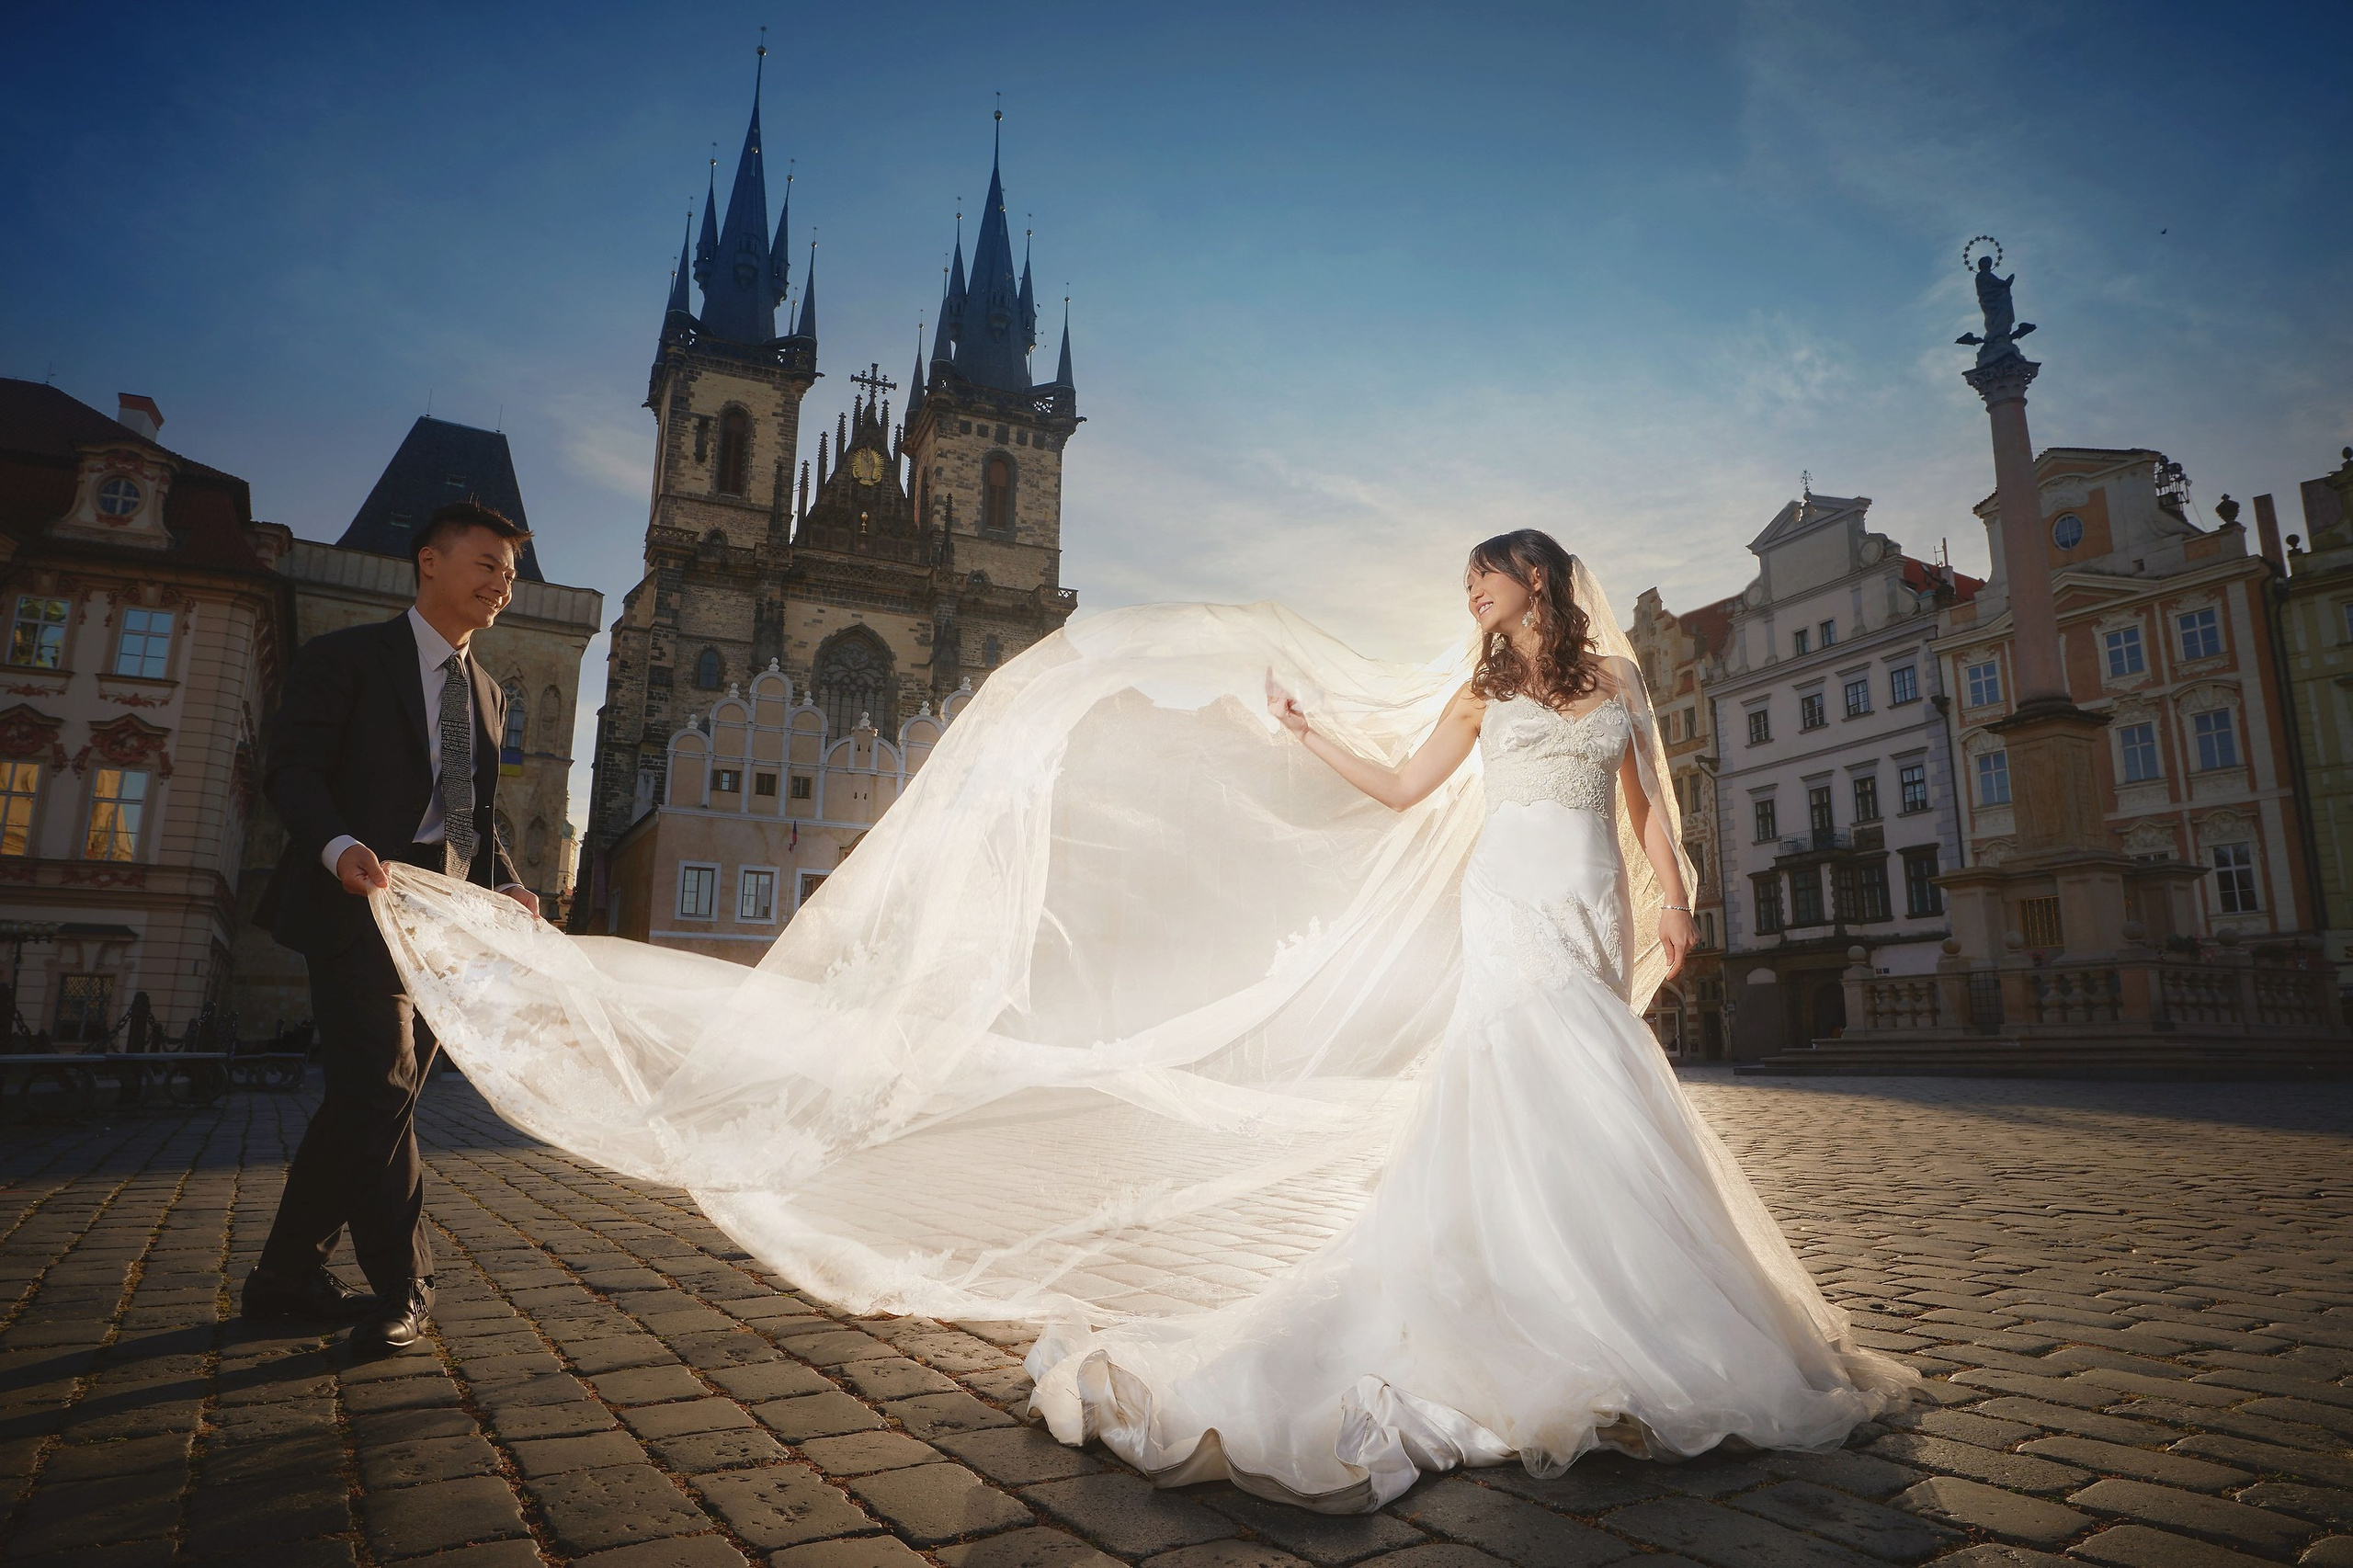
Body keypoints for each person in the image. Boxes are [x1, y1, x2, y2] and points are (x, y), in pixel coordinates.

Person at [365, 528, 1912, 1502]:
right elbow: (1401, 789)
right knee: (1516, 1089)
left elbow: (1653, 821)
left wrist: (1675, 899)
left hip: (1575, 898)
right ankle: (1535, 1312)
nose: (1473, 606)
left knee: (1605, 1092)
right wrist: (1309, 734)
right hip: (1505, 906)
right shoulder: (1477, 701)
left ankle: (1633, 1309)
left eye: (1486, 587)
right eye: (1464, 595)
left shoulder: (1618, 690)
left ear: (1536, 588)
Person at [245, 499, 538, 1354]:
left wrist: (509, 887)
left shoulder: (484, 691)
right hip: (354, 899)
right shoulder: (347, 658)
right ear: (430, 563)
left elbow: (469, 818)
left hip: (433, 922)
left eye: (511, 575)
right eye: (487, 565)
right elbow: (290, 768)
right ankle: (406, 1286)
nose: (502, 585)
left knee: (372, 1101)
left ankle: (284, 1274)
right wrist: (337, 847)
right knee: (382, 1090)